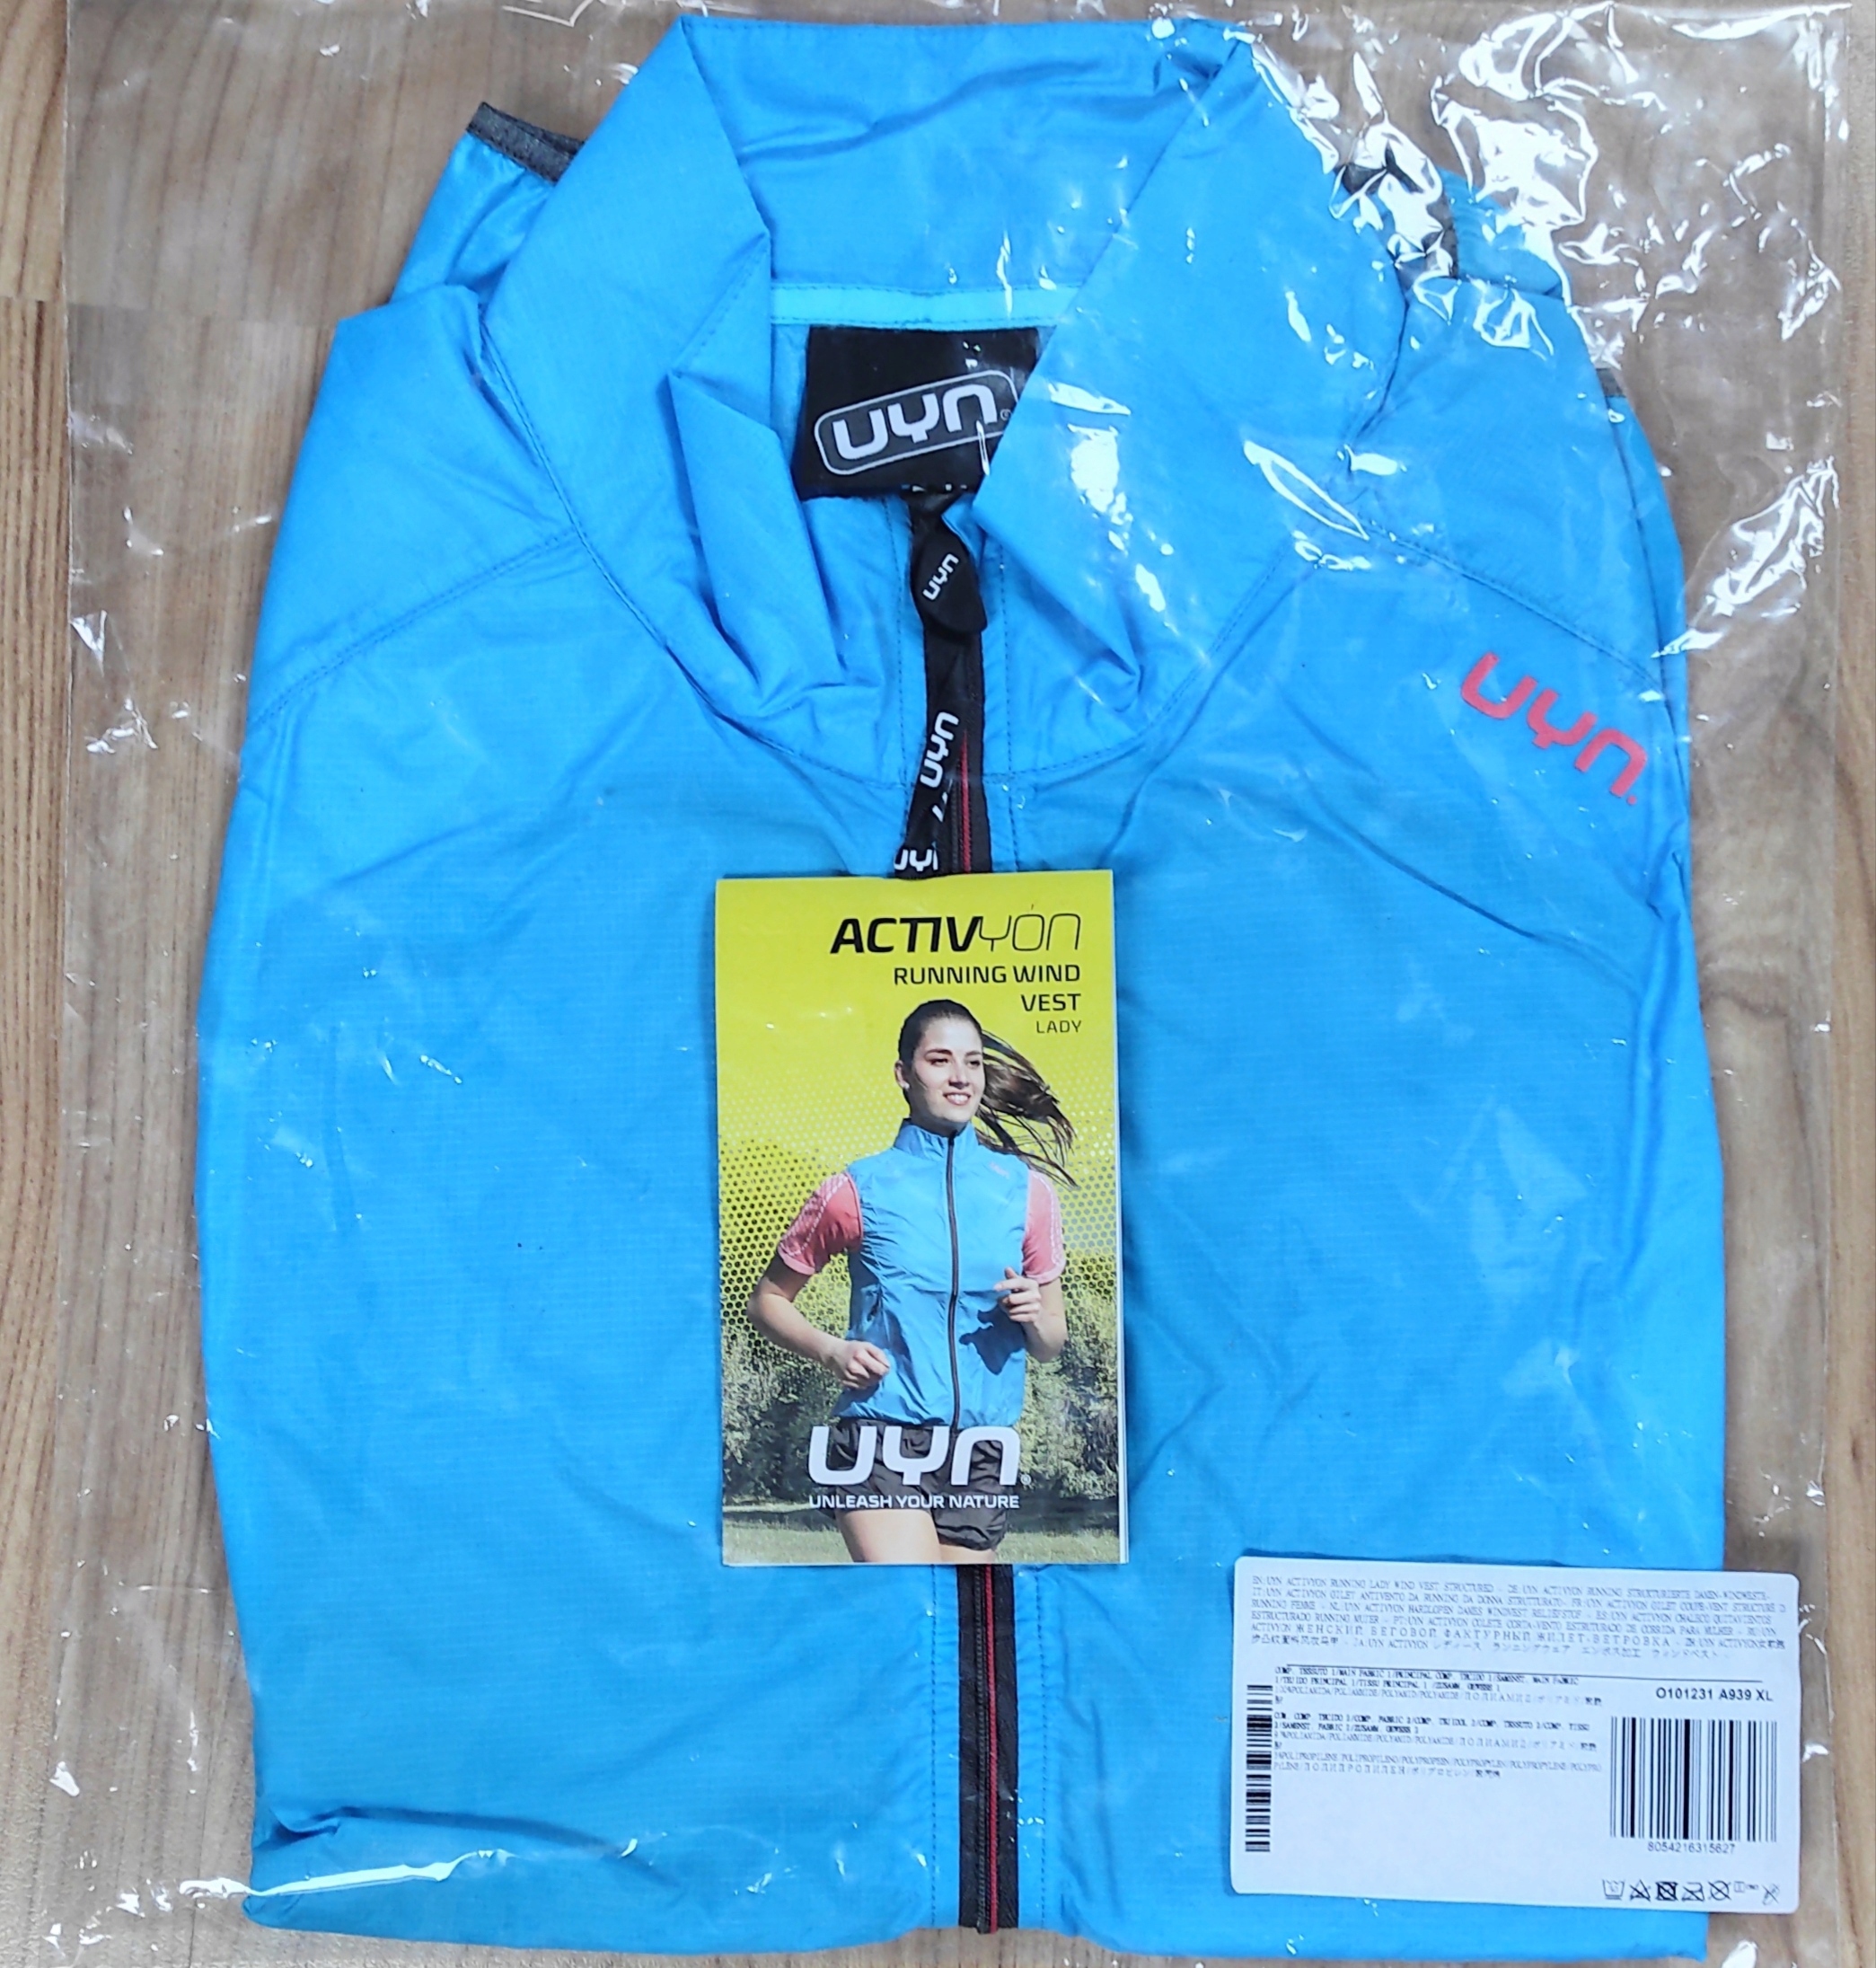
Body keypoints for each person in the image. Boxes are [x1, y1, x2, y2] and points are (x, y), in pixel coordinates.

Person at [747, 1000, 1071, 1562]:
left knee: (961, 1612)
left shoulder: (1027, 1191)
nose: (960, 1076)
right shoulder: (856, 1189)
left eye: (972, 1062)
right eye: (939, 1060)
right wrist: (831, 1351)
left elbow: (1050, 1344)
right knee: (911, 1597)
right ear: (904, 1074)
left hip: (981, 1446)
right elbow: (768, 1302)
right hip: (881, 1433)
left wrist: (1033, 1315)